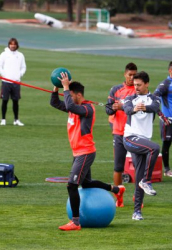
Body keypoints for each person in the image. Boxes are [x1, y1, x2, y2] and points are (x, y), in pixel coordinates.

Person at [50, 72, 125, 231]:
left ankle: (75, 222)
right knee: (86, 183)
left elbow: (69, 105)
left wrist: (65, 87)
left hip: (85, 152)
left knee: (72, 185)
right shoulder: (74, 107)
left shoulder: (87, 109)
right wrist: (56, 88)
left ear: (78, 95)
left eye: (69, 95)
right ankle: (117, 190)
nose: (67, 98)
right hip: (78, 152)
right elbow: (55, 103)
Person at [123, 71, 162, 220]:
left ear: (147, 84)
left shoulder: (155, 99)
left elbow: (154, 108)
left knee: (138, 175)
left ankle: (137, 212)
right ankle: (146, 181)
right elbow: (126, 109)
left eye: (139, 85)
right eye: (134, 85)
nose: (136, 88)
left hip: (143, 141)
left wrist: (143, 107)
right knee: (155, 148)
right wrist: (134, 109)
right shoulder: (129, 98)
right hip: (130, 138)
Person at [105, 62, 137, 207]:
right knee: (118, 166)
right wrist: (113, 108)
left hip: (135, 132)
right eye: (130, 75)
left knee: (138, 166)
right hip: (119, 132)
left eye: (134, 75)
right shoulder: (116, 90)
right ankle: (118, 197)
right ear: (124, 74)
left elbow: (139, 109)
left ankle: (138, 197)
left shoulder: (139, 91)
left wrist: (123, 106)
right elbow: (108, 110)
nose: (132, 77)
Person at [154, 61, 172, 177]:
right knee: (167, 144)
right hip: (169, 120)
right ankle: (167, 169)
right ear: (170, 71)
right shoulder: (165, 84)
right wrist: (160, 113)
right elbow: (154, 97)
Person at [0, 38, 26, 126]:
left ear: (17, 45)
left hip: (16, 82)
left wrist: (19, 75)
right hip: (6, 82)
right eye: (11, 44)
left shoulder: (20, 55)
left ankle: (16, 120)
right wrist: (5, 75)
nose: (13, 45)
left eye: (14, 44)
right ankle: (3, 119)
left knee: (15, 101)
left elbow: (23, 67)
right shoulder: (4, 54)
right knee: (5, 100)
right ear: (9, 45)